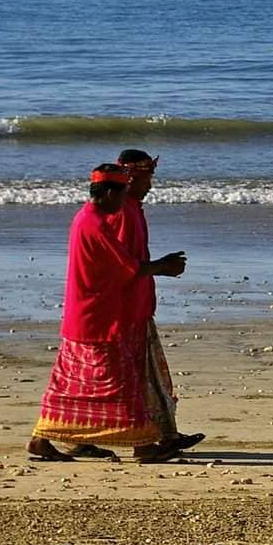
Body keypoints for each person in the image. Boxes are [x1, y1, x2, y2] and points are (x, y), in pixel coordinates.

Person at [27, 165, 185, 463]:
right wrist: (164, 265)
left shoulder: (86, 218)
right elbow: (130, 268)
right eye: (122, 192)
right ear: (109, 193)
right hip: (98, 316)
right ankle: (143, 444)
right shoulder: (95, 224)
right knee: (119, 380)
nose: (124, 199)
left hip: (86, 314)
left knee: (72, 382)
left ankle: (42, 439)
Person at [69, 149, 202, 459]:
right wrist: (162, 268)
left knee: (141, 374)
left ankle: (159, 434)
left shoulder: (126, 210)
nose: (150, 185)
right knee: (133, 377)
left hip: (130, 304)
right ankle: (150, 440)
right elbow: (124, 266)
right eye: (145, 178)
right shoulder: (122, 213)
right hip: (124, 309)